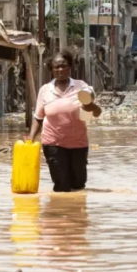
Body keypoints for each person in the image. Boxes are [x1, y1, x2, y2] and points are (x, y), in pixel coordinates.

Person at [28, 49, 102, 192]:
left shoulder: (81, 87)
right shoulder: (45, 90)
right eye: (56, 66)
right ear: (52, 69)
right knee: (61, 185)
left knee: (78, 185)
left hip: (78, 143)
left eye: (64, 66)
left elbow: (95, 113)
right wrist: (31, 137)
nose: (60, 69)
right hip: (53, 143)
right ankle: (60, 212)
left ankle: (76, 212)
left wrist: (90, 106)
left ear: (70, 67)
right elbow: (38, 117)